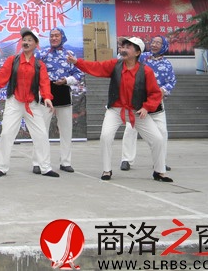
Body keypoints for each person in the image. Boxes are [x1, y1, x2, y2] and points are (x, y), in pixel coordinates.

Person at [66, 36, 172, 182]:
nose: (123, 50)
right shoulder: (115, 65)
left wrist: (146, 107)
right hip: (115, 110)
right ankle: (106, 170)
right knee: (105, 136)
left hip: (136, 111)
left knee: (158, 139)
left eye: (128, 47)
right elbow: (96, 67)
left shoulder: (146, 71)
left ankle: (159, 172)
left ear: (137, 52)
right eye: (123, 47)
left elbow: (155, 93)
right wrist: (77, 62)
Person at [0, 27, 59, 178]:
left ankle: (45, 167)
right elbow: (2, 75)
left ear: (36, 44)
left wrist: (47, 97)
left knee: (41, 135)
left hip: (32, 104)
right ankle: (2, 167)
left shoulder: (39, 65)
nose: (26, 42)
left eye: (29, 40)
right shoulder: (12, 60)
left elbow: (44, 83)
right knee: (6, 134)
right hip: (14, 102)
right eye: (24, 40)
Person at [120, 34, 176, 172]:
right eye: (153, 42)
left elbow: (171, 82)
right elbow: (125, 62)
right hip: (137, 99)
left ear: (164, 46)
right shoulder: (142, 57)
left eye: (158, 43)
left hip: (156, 101)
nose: (154, 44)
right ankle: (126, 160)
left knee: (162, 131)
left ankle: (160, 161)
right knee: (130, 129)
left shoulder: (167, 64)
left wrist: (163, 90)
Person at [35, 27, 83, 173]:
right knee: (41, 129)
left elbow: (79, 73)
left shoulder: (70, 54)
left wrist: (67, 80)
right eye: (51, 36)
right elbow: (33, 72)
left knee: (66, 129)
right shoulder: (42, 54)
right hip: (46, 92)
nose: (54, 38)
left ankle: (65, 162)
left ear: (63, 37)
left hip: (64, 90)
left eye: (57, 35)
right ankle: (37, 162)